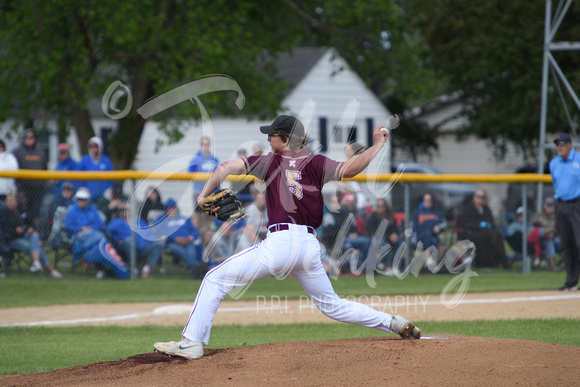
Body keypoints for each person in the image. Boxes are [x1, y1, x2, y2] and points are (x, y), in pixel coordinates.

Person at [153, 115, 421, 360]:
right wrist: (377, 146)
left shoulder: (270, 161)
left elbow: (224, 167)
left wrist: (202, 196)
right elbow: (350, 170)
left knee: (214, 278)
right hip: (308, 246)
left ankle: (191, 342)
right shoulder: (317, 162)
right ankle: (393, 322)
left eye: (272, 136)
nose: (268, 140)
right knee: (333, 306)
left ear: (285, 139)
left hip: (279, 243)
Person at [65, 187, 129, 279]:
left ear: (88, 200)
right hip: (79, 236)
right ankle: (104, 269)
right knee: (101, 242)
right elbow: (68, 227)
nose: (81, 201)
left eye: (84, 199)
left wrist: (90, 229)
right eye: (79, 199)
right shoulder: (72, 211)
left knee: (100, 245)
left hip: (95, 235)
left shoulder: (93, 210)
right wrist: (81, 228)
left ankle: (113, 270)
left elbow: (99, 225)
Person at [0, 192, 62, 278]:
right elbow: (4, 230)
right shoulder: (3, 212)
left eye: (11, 200)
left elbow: (31, 223)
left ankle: (36, 263)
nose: (9, 202)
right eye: (8, 201)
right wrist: (16, 230)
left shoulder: (21, 211)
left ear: (16, 202)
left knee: (35, 235)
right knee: (35, 247)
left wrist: (30, 228)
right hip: (11, 239)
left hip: (24, 235)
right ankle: (50, 269)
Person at [142, 198, 204, 279]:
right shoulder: (162, 219)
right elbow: (160, 233)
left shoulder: (184, 219)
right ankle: (197, 268)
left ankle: (195, 273)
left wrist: (190, 239)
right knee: (180, 251)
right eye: (169, 207)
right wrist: (175, 239)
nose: (171, 209)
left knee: (191, 251)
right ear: (166, 209)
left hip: (187, 241)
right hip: (171, 243)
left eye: (173, 207)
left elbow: (195, 231)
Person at [549, 132, 580, 291]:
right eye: (557, 144)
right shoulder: (554, 163)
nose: (559, 147)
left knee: (579, 242)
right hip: (561, 205)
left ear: (569, 145)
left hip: (577, 204)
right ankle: (571, 281)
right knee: (566, 245)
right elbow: (556, 184)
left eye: (562, 144)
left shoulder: (578, 160)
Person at [105, 202, 164, 278]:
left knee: (160, 243)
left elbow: (149, 234)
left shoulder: (139, 221)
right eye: (121, 210)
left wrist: (152, 240)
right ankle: (134, 269)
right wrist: (118, 240)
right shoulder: (116, 222)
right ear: (119, 212)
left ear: (131, 211)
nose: (124, 212)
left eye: (126, 210)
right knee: (128, 240)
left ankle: (146, 269)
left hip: (142, 248)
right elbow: (108, 234)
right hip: (126, 249)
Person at [456, 188, 510, 268]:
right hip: (471, 234)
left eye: (482, 197)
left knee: (496, 236)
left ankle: (497, 262)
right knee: (491, 236)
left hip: (486, 233)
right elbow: (466, 224)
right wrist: (479, 225)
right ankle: (502, 261)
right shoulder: (468, 209)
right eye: (478, 196)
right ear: (474, 197)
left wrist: (487, 225)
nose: (480, 199)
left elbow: (491, 223)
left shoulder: (486, 209)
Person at [12, 129, 48, 228]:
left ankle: (35, 234)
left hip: (38, 188)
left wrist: (43, 184)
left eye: (31, 137)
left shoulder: (40, 152)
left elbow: (45, 169)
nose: (29, 139)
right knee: (23, 212)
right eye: (26, 137)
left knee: (36, 213)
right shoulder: (17, 152)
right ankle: (24, 232)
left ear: (35, 139)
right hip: (24, 188)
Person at [188, 136, 220, 231]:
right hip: (199, 191)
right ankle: (194, 235)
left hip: (211, 192)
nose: (205, 146)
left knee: (209, 215)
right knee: (197, 214)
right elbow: (190, 175)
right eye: (203, 144)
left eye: (207, 144)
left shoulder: (214, 159)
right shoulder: (195, 159)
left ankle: (208, 235)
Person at [365, 198, 401, 275]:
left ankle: (395, 267)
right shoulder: (372, 217)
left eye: (381, 206)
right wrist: (389, 236)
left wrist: (395, 235)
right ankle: (387, 267)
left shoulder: (390, 217)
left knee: (399, 243)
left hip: (389, 239)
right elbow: (374, 232)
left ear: (385, 207)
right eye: (378, 206)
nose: (379, 208)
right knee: (383, 244)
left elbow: (396, 229)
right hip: (378, 240)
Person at [77, 136, 114, 207]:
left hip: (103, 197)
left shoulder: (106, 160)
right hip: (88, 197)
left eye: (96, 146)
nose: (93, 149)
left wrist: (108, 190)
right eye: (91, 146)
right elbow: (77, 178)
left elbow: (111, 180)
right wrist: (82, 189)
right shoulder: (85, 160)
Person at [528, 197, 560, 271]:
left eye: (552, 205)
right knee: (549, 241)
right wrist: (551, 228)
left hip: (557, 237)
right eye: (548, 205)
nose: (550, 207)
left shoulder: (559, 216)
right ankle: (553, 267)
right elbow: (533, 227)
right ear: (544, 206)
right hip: (543, 239)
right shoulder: (539, 215)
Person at [0, 139, 18, 207]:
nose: (0, 148)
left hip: (7, 193)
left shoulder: (9, 157)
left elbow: (14, 168)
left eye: (1, 146)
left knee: (5, 214)